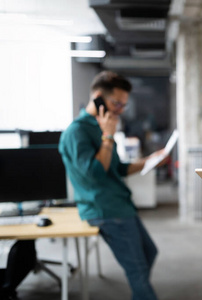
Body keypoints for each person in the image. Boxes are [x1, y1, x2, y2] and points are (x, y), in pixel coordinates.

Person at [59, 71, 164, 300]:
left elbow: (116, 168)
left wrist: (149, 161)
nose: (120, 110)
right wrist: (108, 136)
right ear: (98, 97)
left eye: (123, 105)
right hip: (105, 209)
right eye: (116, 103)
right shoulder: (77, 131)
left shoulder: (100, 126)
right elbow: (94, 174)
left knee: (149, 253)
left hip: (120, 205)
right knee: (137, 271)